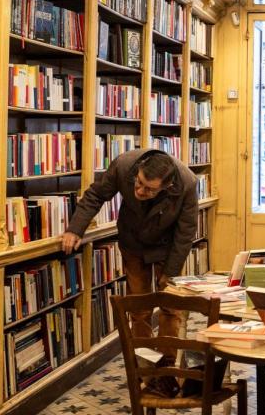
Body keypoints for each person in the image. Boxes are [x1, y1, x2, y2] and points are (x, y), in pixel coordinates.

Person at [61, 148, 197, 397]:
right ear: (139, 171)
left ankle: (166, 373)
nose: (140, 191)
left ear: (166, 187)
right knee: (139, 308)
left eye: (149, 189)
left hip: (168, 248)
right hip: (133, 243)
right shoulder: (124, 166)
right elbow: (95, 195)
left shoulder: (187, 183)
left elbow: (186, 231)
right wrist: (74, 229)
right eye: (140, 182)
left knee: (170, 307)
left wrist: (171, 270)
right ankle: (146, 372)